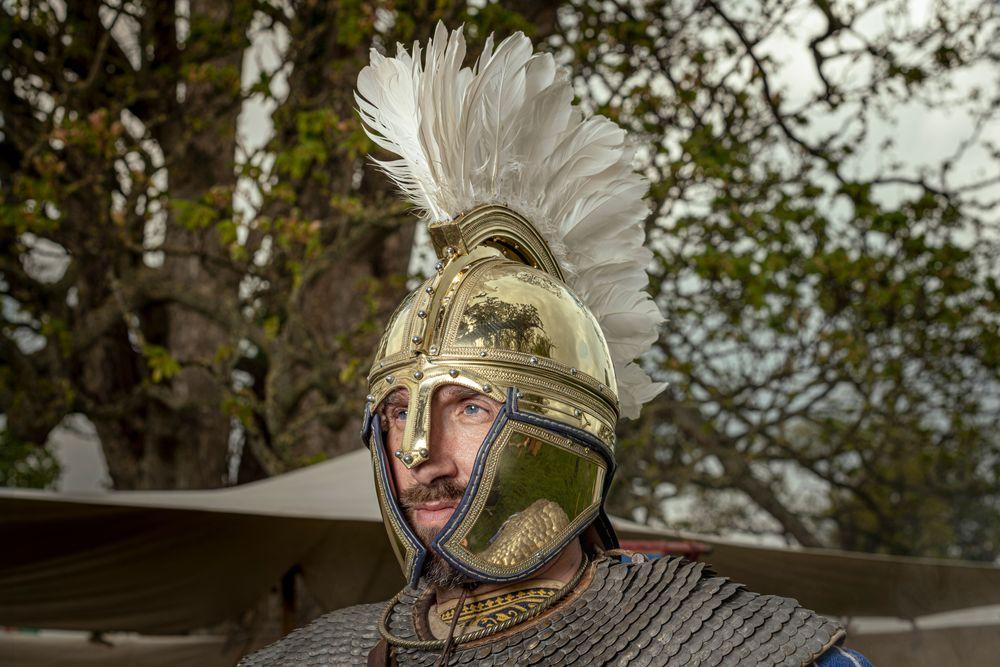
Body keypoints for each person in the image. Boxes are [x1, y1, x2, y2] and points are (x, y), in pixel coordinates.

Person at [241, 23, 873, 667]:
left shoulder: (737, 650)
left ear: (562, 429)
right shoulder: (308, 660)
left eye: (470, 407)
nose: (419, 456)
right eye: (400, 411)